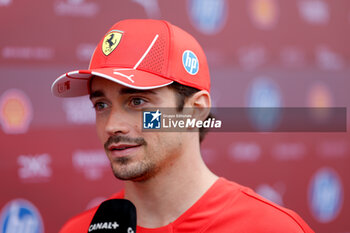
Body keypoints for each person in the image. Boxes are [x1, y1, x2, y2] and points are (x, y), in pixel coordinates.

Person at [51, 19, 314, 233]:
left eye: (137, 100)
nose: (112, 125)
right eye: (101, 105)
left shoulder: (271, 228)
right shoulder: (78, 229)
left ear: (196, 110)